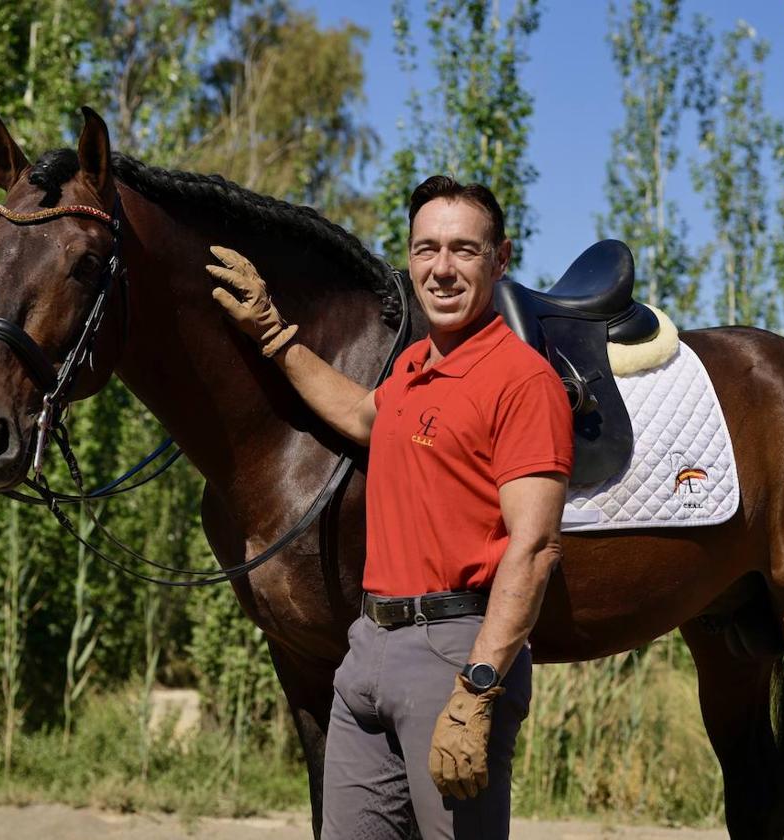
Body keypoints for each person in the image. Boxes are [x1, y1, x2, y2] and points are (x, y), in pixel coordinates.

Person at [207, 175, 572, 839]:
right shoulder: (409, 370)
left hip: (454, 653)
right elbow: (357, 411)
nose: (442, 268)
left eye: (464, 249)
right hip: (369, 647)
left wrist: (479, 687)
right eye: (426, 248)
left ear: (502, 258)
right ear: (408, 257)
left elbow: (537, 545)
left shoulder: (523, 381)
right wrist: (271, 331)